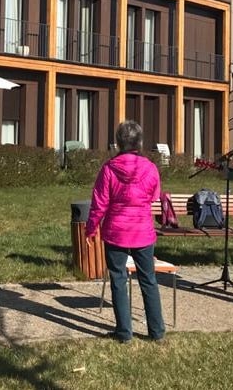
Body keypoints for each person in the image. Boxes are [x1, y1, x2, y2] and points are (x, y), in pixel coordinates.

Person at [85, 120, 165, 343]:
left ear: (118, 143)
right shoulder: (150, 168)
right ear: (139, 142)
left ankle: (124, 332)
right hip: (142, 229)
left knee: (118, 279)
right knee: (148, 279)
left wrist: (91, 229)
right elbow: (154, 195)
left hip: (116, 230)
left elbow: (99, 203)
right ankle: (157, 332)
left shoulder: (109, 169)